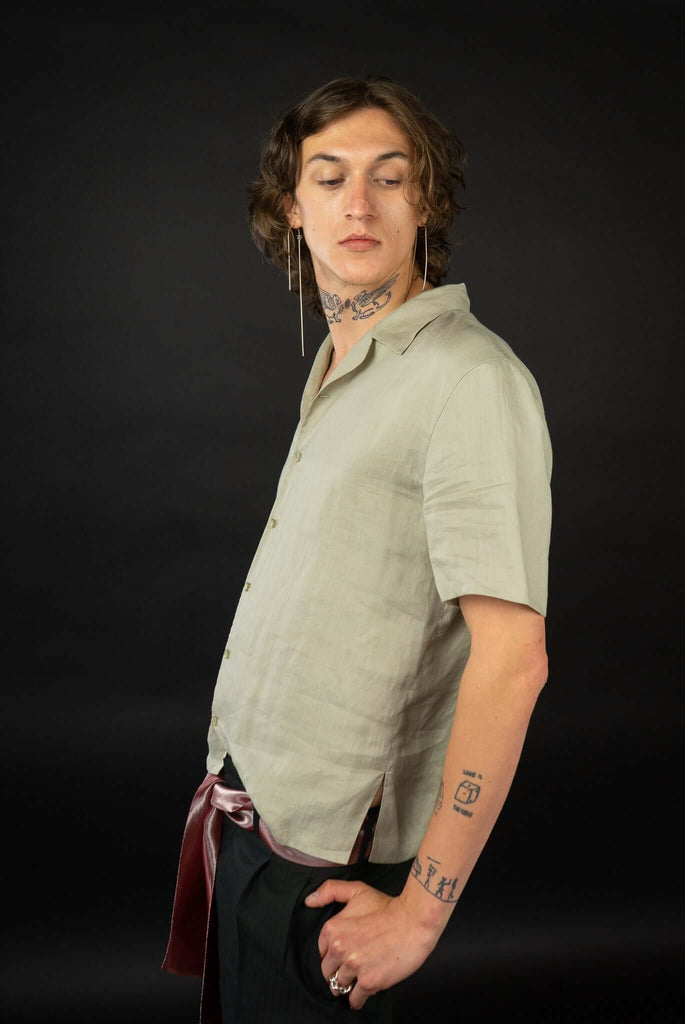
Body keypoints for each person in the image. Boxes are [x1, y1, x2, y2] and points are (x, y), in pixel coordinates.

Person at [162, 75, 553, 1024]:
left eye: (390, 175)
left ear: (427, 199)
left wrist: (421, 910)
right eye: (329, 177)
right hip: (256, 817)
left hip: (335, 872)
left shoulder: (469, 381)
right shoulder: (346, 355)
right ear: (291, 208)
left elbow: (514, 661)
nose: (359, 204)